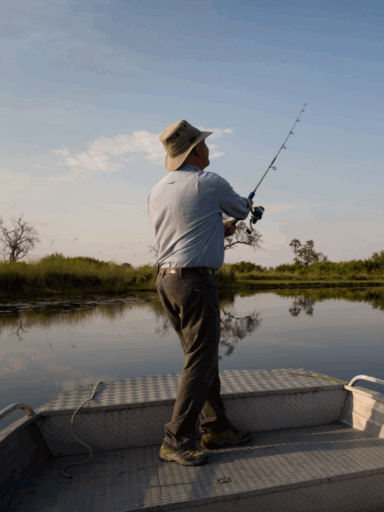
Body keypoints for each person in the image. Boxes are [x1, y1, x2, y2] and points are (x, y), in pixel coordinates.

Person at [148, 120, 254, 466]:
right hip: (195, 283)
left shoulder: (158, 189)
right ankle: (176, 439)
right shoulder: (209, 182)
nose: (209, 149)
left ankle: (216, 428)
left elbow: (186, 231)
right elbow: (242, 208)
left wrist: (218, 228)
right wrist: (238, 214)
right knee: (201, 359)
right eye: (205, 144)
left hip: (167, 281)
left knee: (200, 358)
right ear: (196, 150)